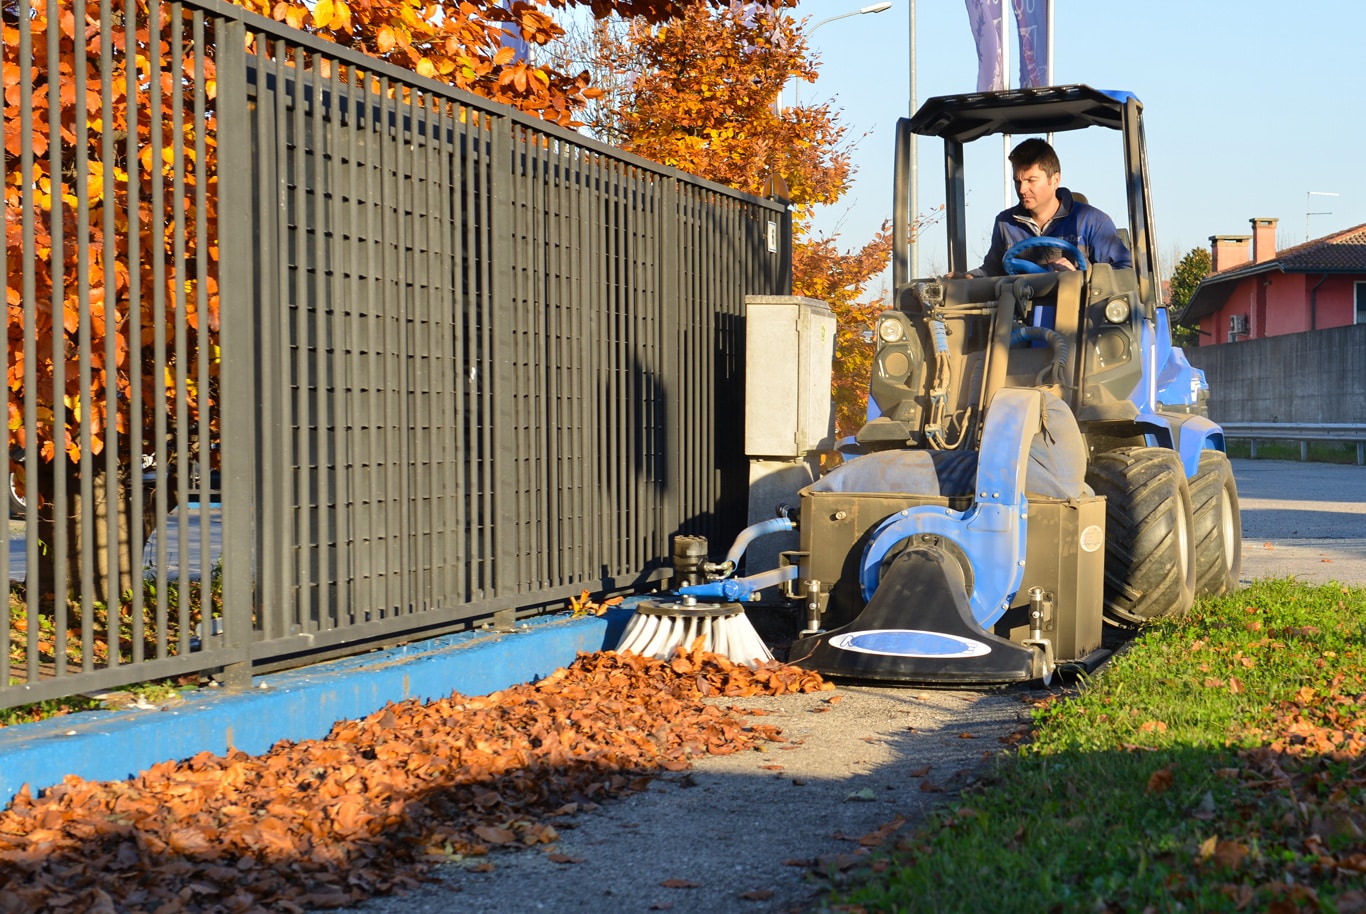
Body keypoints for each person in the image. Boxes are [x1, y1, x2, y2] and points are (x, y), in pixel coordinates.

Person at [972, 138, 1132, 276]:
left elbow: (1123, 272)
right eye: (1017, 181)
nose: (1022, 190)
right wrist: (967, 278)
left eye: (1031, 180)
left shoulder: (1091, 222)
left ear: (1055, 180)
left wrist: (1081, 277)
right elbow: (991, 271)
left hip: (1079, 309)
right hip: (1021, 309)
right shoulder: (1005, 223)